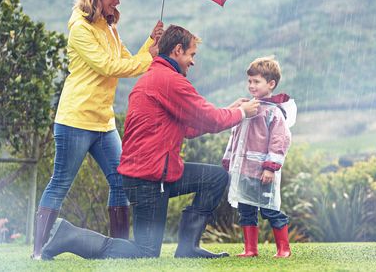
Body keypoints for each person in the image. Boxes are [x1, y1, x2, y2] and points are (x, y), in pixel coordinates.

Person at [39, 25, 260, 260]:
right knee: (145, 253)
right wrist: (242, 113)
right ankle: (68, 235)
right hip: (147, 180)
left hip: (161, 173)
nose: (192, 61)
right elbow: (211, 119)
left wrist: (230, 111)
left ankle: (188, 248)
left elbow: (190, 127)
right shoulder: (168, 81)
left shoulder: (157, 78)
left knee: (215, 177)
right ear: (177, 50)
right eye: (191, 54)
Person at [32, 0, 165, 259]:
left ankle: (121, 251)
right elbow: (108, 66)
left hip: (104, 122)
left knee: (121, 181)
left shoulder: (109, 27)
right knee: (60, 182)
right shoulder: (80, 28)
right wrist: (150, 56)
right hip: (76, 120)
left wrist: (150, 43)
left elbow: (127, 61)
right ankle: (38, 250)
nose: (118, 0)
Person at [222, 56, 296, 258]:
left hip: (262, 173)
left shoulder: (273, 112)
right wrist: (229, 159)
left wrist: (270, 167)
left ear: (271, 84)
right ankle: (250, 249)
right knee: (246, 210)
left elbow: (279, 140)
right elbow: (235, 135)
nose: (251, 86)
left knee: (270, 210)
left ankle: (284, 249)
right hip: (243, 171)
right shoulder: (247, 108)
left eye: (257, 81)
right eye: (249, 81)